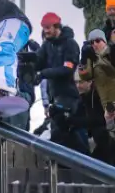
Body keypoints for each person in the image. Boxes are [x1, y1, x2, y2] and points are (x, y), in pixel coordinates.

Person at [34, 12, 84, 151]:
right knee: (63, 134)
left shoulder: (70, 44)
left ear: (57, 27)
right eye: (44, 28)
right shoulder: (47, 45)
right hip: (54, 95)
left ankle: (82, 162)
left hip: (68, 95)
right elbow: (38, 62)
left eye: (48, 28)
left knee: (62, 134)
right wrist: (29, 58)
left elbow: (67, 69)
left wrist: (43, 73)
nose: (46, 31)